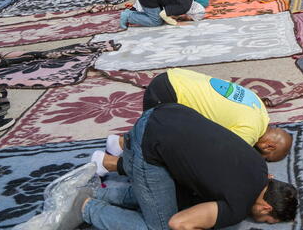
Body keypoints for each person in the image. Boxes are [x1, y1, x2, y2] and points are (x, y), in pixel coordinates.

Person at [23, 103, 299, 230]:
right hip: (148, 144)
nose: (259, 220)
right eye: (266, 219)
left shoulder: (260, 167)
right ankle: (85, 208)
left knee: (181, 199)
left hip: (165, 113)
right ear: (265, 206)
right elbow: (182, 224)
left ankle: (97, 191)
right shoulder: (238, 206)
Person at [91, 68, 292, 176]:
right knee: (169, 160)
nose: (261, 159)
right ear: (269, 145)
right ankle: (107, 162)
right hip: (168, 95)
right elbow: (221, 157)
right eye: (267, 158)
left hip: (173, 77)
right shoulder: (249, 132)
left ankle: (118, 144)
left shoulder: (260, 109)